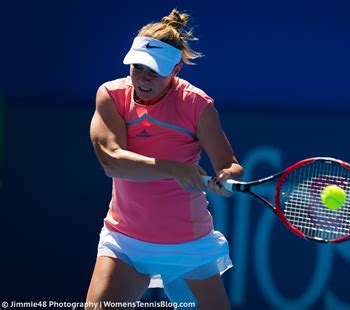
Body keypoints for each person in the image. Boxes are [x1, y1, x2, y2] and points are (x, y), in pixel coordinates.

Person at [86, 9, 243, 310]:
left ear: (176, 70)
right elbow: (112, 161)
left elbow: (229, 164)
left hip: (188, 245)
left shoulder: (197, 105)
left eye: (154, 71)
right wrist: (175, 170)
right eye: (137, 67)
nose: (143, 78)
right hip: (125, 240)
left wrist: (227, 176)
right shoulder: (111, 95)